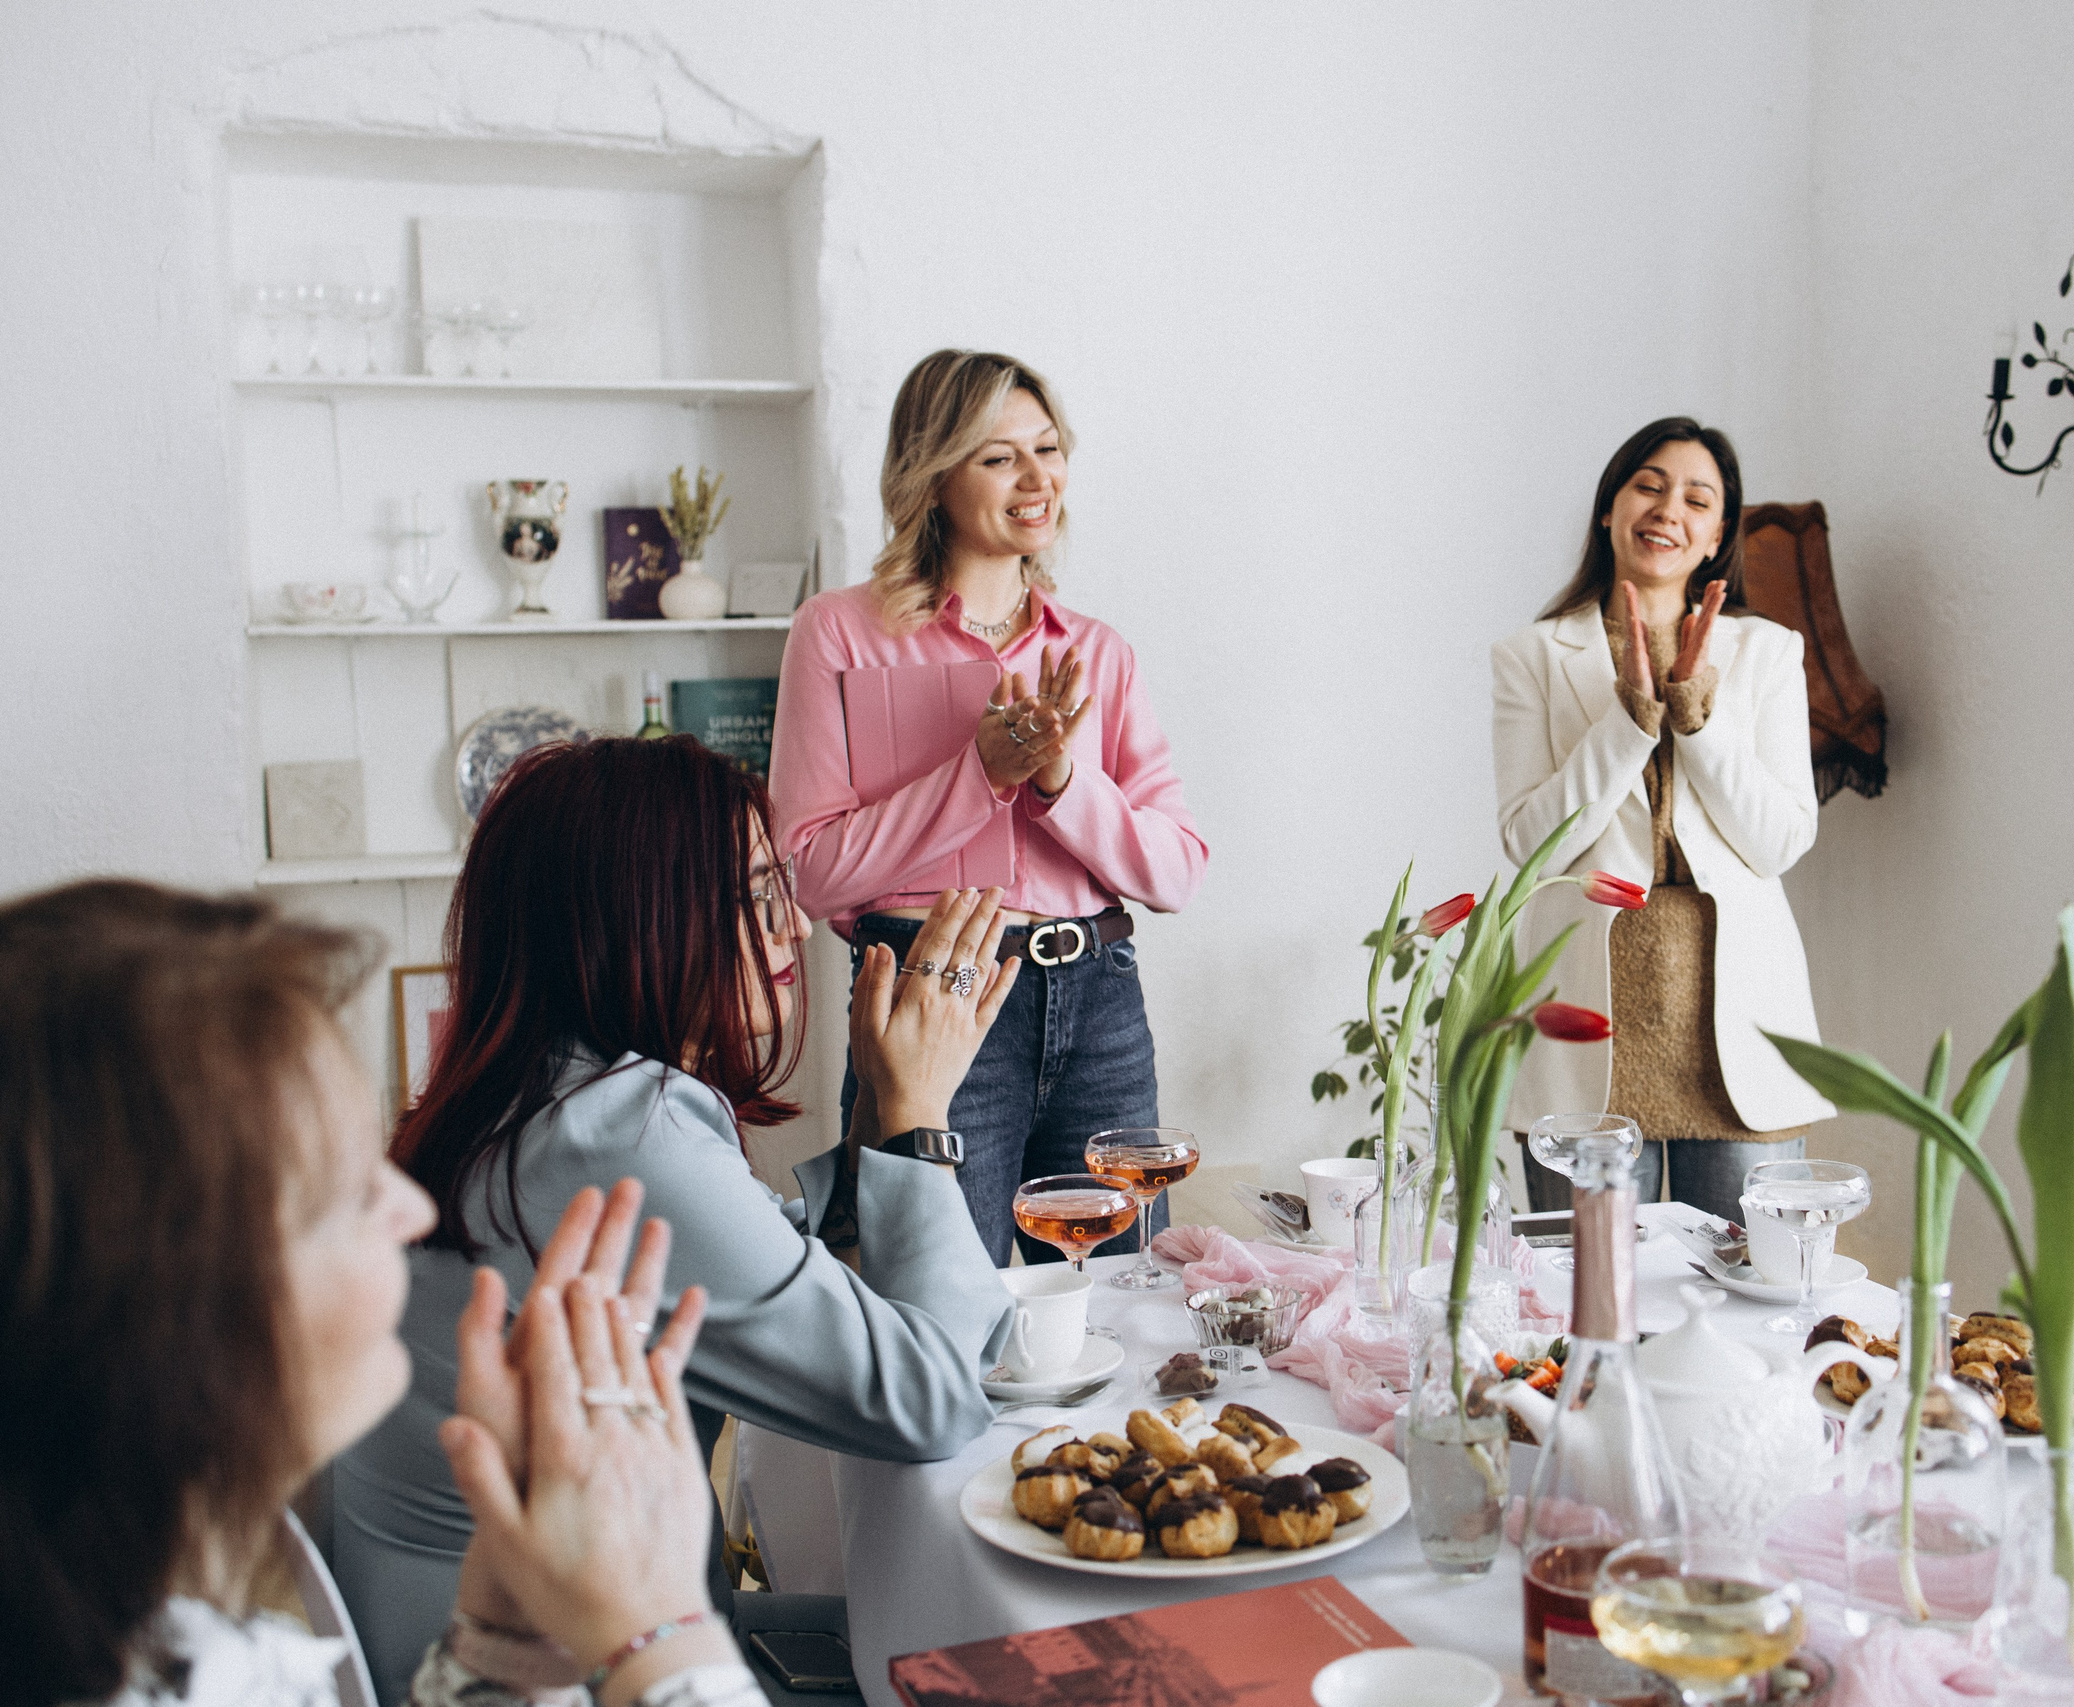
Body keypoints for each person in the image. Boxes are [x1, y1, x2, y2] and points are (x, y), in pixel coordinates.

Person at [335, 737, 1020, 1701]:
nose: (788, 929)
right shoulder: (618, 1131)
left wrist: (873, 1125)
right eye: (746, 895)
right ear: (630, 919)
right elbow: (934, 1400)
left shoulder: (529, 1098)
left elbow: (762, 1271)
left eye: (777, 886)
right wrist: (916, 1120)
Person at [0, 879, 758, 1707]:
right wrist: (660, 1634)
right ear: (174, 1319)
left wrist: (510, 1645)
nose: (414, 1207)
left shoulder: (131, 1634)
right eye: (353, 1192)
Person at [769, 348, 1209, 1265]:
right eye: (999, 456)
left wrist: (1058, 782)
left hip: (1099, 1003)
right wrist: (979, 769)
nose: (1037, 477)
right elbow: (808, 869)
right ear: (933, 476)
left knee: (1119, 1305)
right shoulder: (840, 633)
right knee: (944, 1310)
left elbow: (1175, 869)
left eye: (1048, 449)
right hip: (933, 996)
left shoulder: (1100, 653)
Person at [1492, 417, 1835, 1222]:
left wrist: (1694, 713)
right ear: (1609, 509)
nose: (1667, 508)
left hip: (1740, 1023)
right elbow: (1529, 840)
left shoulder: (1767, 652)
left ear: (1719, 534)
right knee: (1594, 1301)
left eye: (1696, 496)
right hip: (1589, 1021)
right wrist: (1630, 719)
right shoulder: (1532, 656)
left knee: (1752, 1295)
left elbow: (1779, 839)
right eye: (1648, 484)